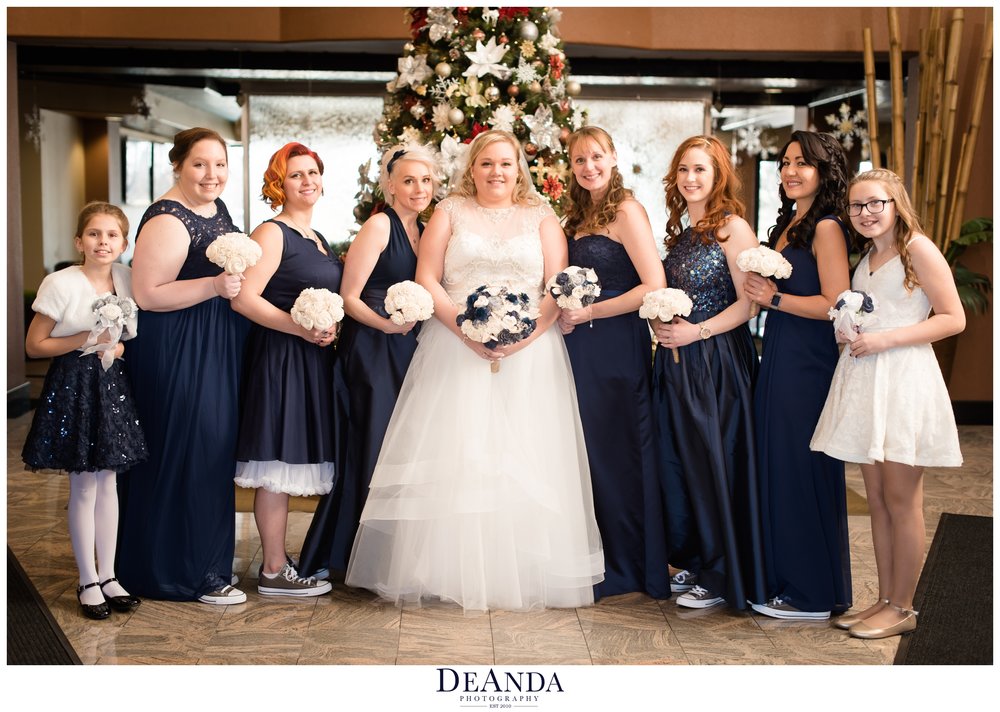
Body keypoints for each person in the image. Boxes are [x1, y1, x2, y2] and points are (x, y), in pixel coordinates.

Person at [345, 129, 604, 611]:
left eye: (506, 163)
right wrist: (465, 331)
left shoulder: (542, 216)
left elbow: (556, 284)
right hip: (453, 345)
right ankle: (449, 572)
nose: (496, 172)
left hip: (533, 353)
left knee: (524, 455)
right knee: (461, 453)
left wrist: (526, 336)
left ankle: (526, 573)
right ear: (472, 167)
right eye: (486, 163)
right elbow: (428, 277)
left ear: (519, 168)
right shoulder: (449, 211)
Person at [811, 169, 964, 638]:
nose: (865, 214)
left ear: (896, 203)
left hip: (903, 380)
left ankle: (904, 607)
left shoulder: (918, 248)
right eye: (856, 206)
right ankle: (882, 599)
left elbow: (953, 318)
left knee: (902, 499)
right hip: (867, 382)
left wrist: (887, 340)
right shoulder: (868, 258)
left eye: (875, 203)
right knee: (876, 500)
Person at [117, 127, 250, 605]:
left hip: (213, 345)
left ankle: (204, 563)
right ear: (177, 166)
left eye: (219, 164)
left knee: (210, 452)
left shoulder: (214, 209)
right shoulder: (168, 219)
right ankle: (178, 573)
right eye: (199, 164)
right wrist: (214, 287)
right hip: (176, 350)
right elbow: (147, 294)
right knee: (186, 450)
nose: (211, 174)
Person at [298, 143, 437, 580]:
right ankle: (347, 556)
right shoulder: (380, 225)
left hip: (407, 347)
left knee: (403, 450)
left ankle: (391, 556)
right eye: (409, 180)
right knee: (373, 446)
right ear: (391, 185)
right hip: (373, 349)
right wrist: (384, 325)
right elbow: (348, 297)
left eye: (426, 180)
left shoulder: (427, 229)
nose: (419, 188)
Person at [651, 135, 766, 610]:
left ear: (717, 175)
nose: (690, 178)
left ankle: (722, 573)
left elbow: (749, 303)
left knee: (714, 462)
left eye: (700, 169)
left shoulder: (732, 228)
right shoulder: (680, 232)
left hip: (716, 361)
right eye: (683, 170)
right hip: (678, 363)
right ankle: (698, 559)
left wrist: (696, 333)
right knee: (682, 462)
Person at [743, 130, 852, 620]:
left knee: (801, 466)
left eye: (802, 163)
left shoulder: (827, 226)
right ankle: (790, 578)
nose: (790, 171)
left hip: (809, 361)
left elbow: (835, 303)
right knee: (780, 465)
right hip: (781, 351)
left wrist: (775, 299)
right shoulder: (791, 223)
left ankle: (810, 594)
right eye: (785, 162)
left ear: (824, 171)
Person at [558, 126, 670, 600]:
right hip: (578, 346)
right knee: (588, 452)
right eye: (580, 160)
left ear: (613, 157)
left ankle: (631, 564)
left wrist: (591, 311)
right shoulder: (575, 213)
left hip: (615, 343)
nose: (589, 167)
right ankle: (596, 557)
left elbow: (653, 284)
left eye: (596, 157)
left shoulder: (627, 210)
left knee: (619, 449)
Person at [22, 202, 147, 620]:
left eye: (112, 235)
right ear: (79, 241)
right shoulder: (60, 283)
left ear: (124, 243)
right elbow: (35, 345)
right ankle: (87, 578)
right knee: (85, 484)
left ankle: (110, 575)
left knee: (108, 481)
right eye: (94, 234)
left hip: (111, 386)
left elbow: (127, 340)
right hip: (73, 384)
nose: (103, 242)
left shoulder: (128, 279)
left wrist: (115, 345)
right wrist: (82, 339)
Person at [230, 142, 341, 597]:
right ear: (280, 183)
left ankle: (280, 561)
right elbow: (244, 298)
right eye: (296, 174)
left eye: (313, 172)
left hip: (312, 359)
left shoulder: (317, 237)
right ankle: (274, 570)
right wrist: (297, 328)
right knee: (276, 463)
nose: (307, 181)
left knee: (291, 459)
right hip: (280, 359)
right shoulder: (272, 233)